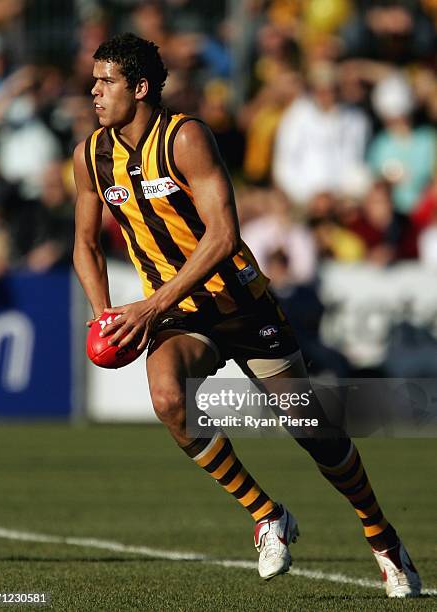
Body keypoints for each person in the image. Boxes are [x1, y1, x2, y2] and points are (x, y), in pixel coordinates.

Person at [73, 33, 420, 597]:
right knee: (167, 399)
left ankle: (382, 537)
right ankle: (266, 514)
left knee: (315, 433)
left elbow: (223, 236)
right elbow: (85, 244)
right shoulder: (91, 155)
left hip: (241, 306)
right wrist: (102, 314)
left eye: (105, 81)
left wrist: (150, 304)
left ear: (139, 88)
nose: (94, 90)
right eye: (94, 80)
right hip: (179, 315)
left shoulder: (185, 138)